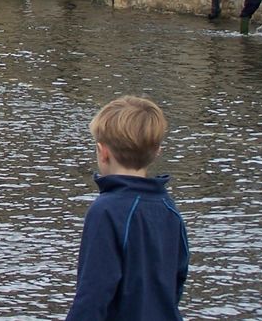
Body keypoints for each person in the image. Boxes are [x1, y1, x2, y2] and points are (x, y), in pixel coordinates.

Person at [66, 96, 188, 321]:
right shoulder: (169, 208)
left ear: (103, 152)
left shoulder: (105, 211)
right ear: (157, 150)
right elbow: (177, 278)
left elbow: (93, 293)